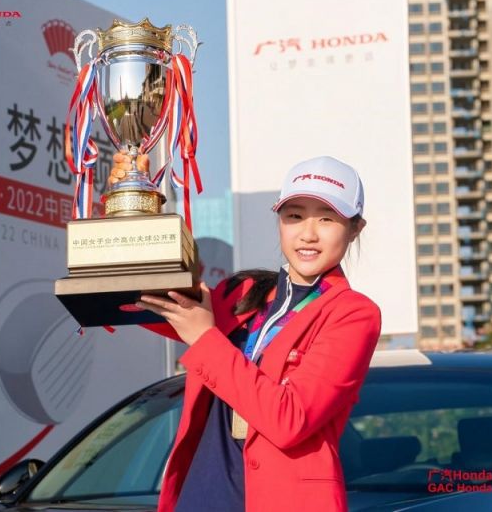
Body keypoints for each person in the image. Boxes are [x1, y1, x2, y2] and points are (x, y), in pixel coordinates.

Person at [109, 152, 382, 512]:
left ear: (355, 228)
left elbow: (290, 420)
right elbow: (135, 298)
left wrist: (205, 338)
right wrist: (130, 210)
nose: (308, 234)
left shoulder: (353, 314)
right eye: (294, 216)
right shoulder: (242, 293)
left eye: (327, 219)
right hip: (200, 497)